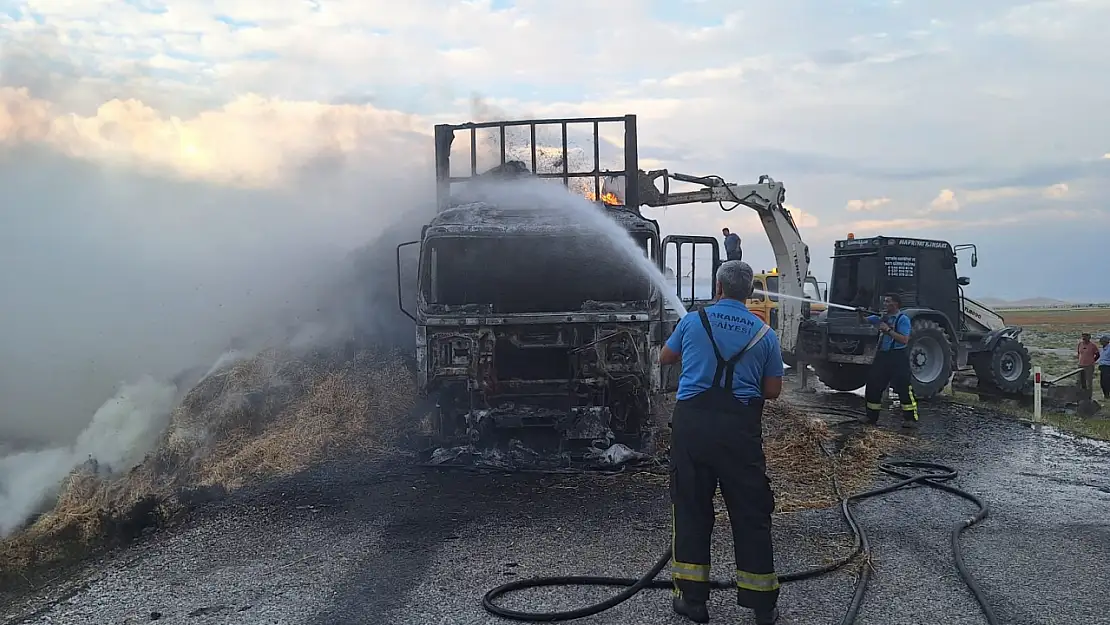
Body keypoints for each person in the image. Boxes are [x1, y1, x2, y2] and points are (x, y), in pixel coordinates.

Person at [659, 260, 784, 625]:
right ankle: (762, 605)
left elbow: (666, 357)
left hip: (693, 429)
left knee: (692, 510)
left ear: (718, 288)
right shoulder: (765, 334)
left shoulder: (693, 321)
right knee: (751, 513)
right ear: (749, 293)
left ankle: (693, 602)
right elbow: (773, 391)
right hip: (739, 434)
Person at [861, 293, 918, 428]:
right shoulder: (882, 317)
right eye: (884, 301)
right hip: (883, 356)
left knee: (903, 387)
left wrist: (888, 330)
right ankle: (871, 417)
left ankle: (910, 419)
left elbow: (904, 339)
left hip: (898, 356)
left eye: (888, 302)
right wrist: (860, 313)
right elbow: (865, 320)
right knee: (873, 385)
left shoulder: (902, 319)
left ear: (896, 304)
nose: (885, 304)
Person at [1098, 335, 1110, 400]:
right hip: (1102, 367)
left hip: (1107, 367)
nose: (1100, 342)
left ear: (1106, 342)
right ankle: (1105, 395)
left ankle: (1107, 395)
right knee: (1102, 382)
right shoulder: (1102, 348)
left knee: (1106, 382)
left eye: (1102, 341)